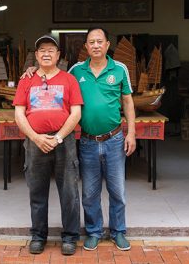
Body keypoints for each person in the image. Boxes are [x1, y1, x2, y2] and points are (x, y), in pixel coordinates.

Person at [13, 34, 83, 256]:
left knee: (70, 191)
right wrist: (35, 137)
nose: (46, 53)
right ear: (35, 55)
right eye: (41, 50)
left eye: (50, 50)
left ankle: (70, 237)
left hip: (64, 141)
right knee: (37, 190)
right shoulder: (26, 80)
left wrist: (59, 137)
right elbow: (19, 114)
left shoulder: (68, 80)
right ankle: (38, 236)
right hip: (35, 142)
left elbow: (76, 113)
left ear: (58, 55)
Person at [69, 28, 135, 252]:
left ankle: (118, 232)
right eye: (91, 42)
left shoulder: (119, 69)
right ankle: (94, 232)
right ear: (86, 47)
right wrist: (32, 70)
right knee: (89, 192)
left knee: (118, 191)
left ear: (107, 45)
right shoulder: (76, 71)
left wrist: (132, 133)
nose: (96, 45)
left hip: (114, 139)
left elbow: (127, 102)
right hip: (87, 142)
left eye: (100, 41)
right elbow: (57, 83)